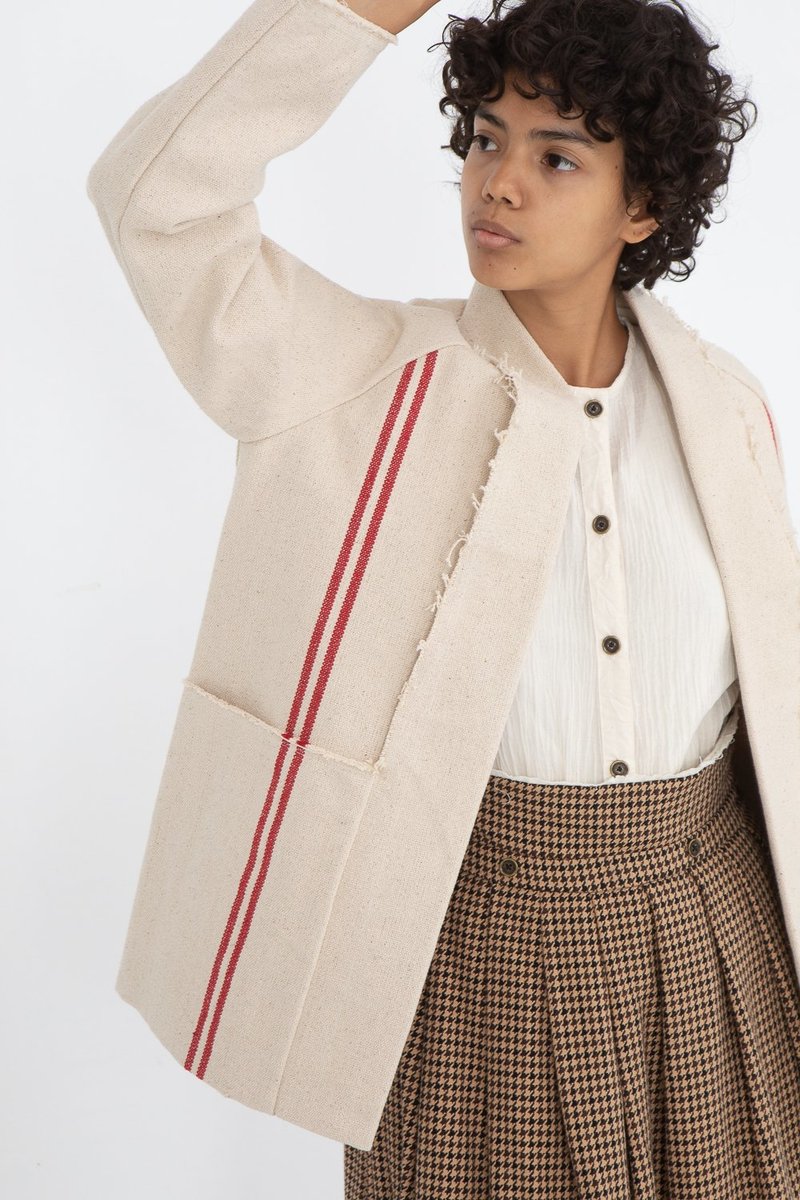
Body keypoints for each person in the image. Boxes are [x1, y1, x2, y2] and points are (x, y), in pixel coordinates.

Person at [86, 0, 800, 1194]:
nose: (496, 182)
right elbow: (157, 202)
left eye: (554, 156)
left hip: (709, 929)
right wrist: (357, 13)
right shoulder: (352, 380)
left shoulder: (726, 409)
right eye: (481, 138)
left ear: (642, 207)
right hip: (472, 947)